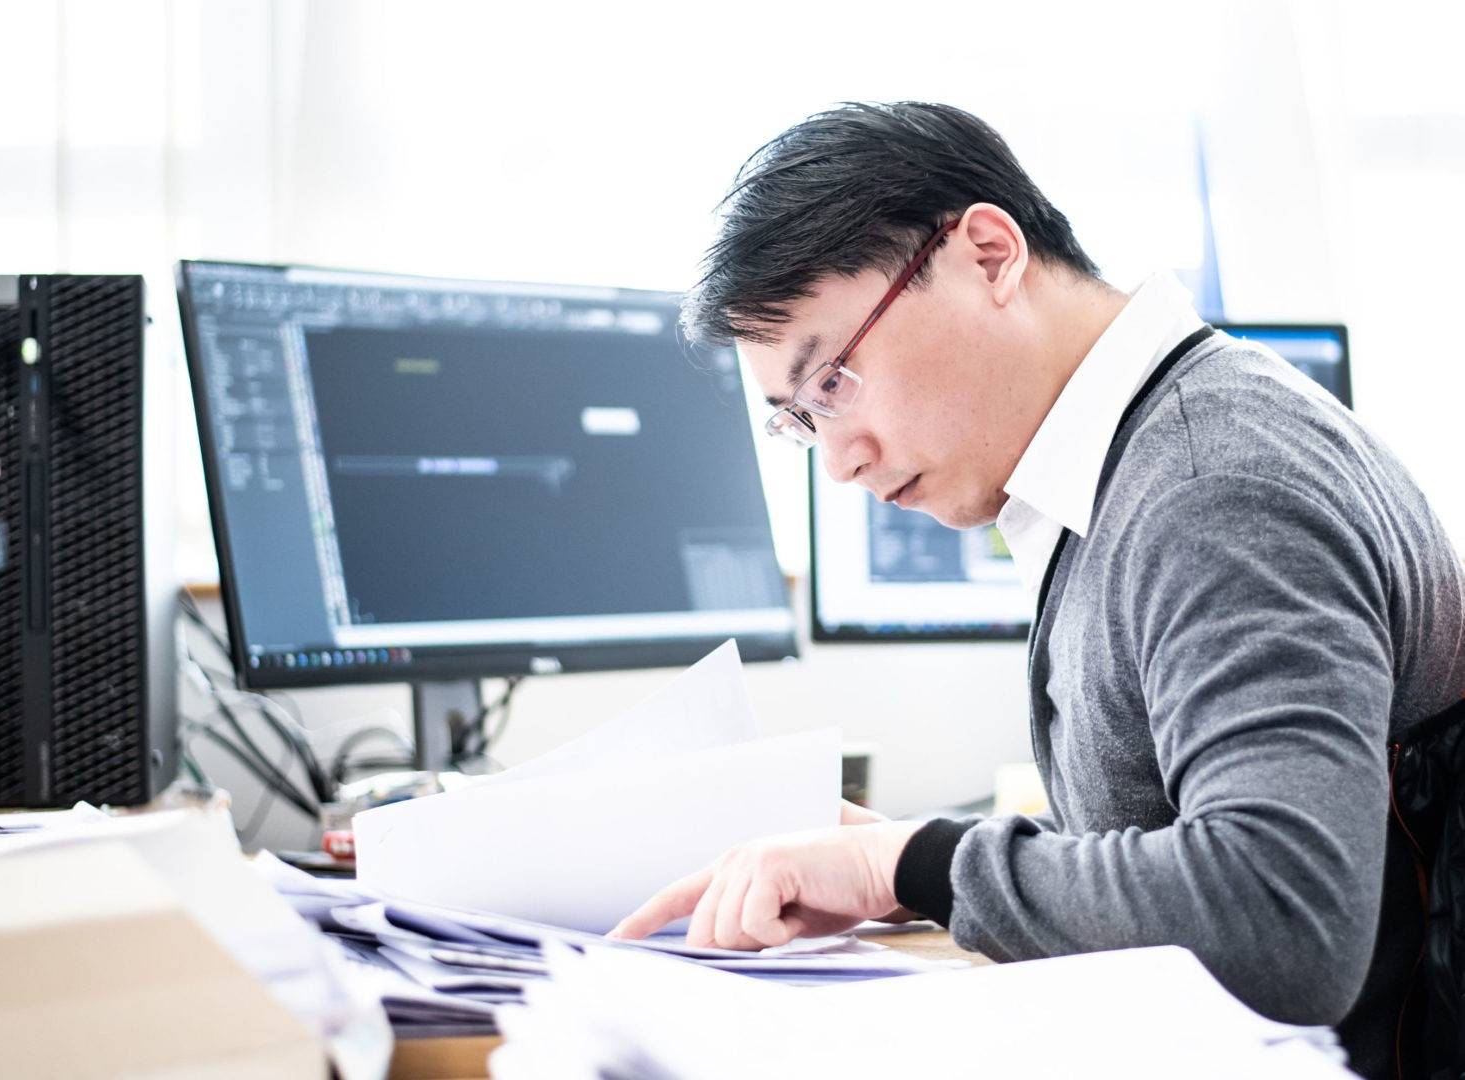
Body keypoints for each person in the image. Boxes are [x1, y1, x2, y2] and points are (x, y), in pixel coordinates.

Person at [606, 102, 1465, 1079]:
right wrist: (909, 864)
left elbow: (1278, 920)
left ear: (987, 253)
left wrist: (902, 864)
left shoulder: (1209, 483)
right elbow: (1174, 844)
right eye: (798, 421)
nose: (837, 461)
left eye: (836, 379)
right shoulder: (1141, 457)